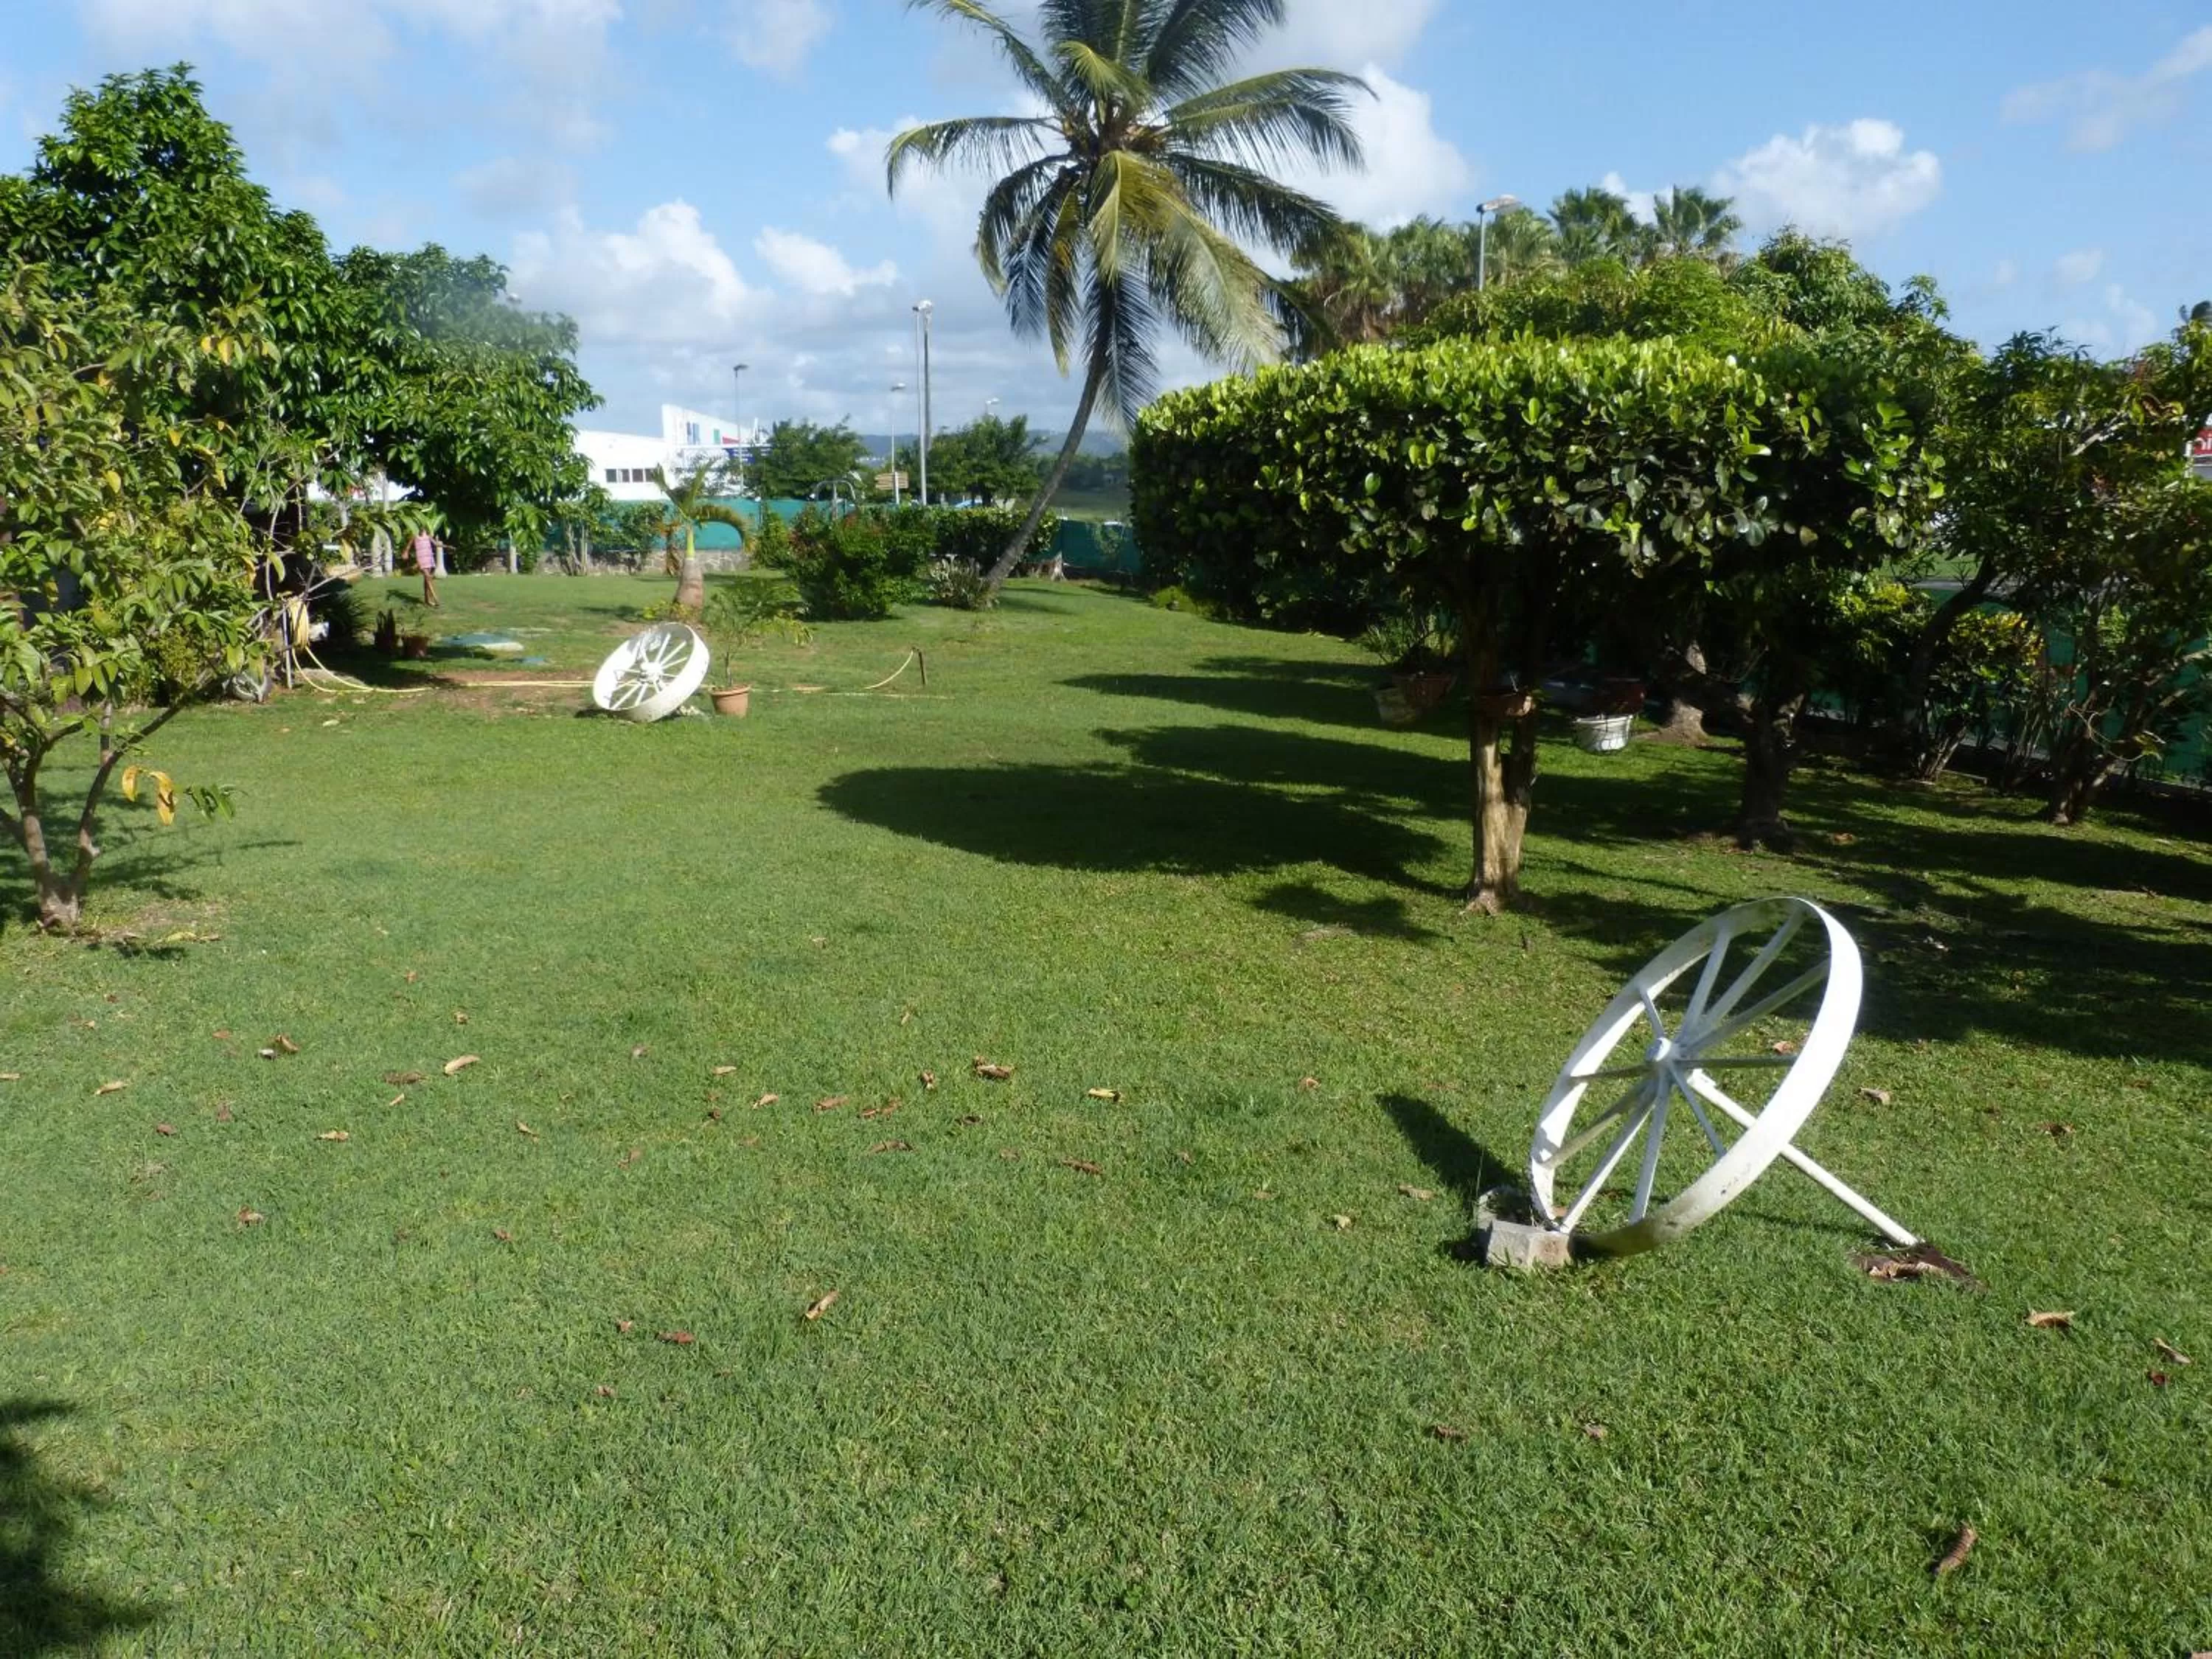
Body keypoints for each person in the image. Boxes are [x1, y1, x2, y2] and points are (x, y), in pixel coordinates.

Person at [410, 527, 442, 608]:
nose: (422, 531)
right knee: (428, 578)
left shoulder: (428, 537)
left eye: (423, 530)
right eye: (420, 529)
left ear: (425, 531)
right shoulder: (415, 537)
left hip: (428, 559)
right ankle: (435, 598)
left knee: (426, 581)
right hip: (421, 560)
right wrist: (406, 553)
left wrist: (447, 546)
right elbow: (409, 546)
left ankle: (427, 600)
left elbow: (436, 544)